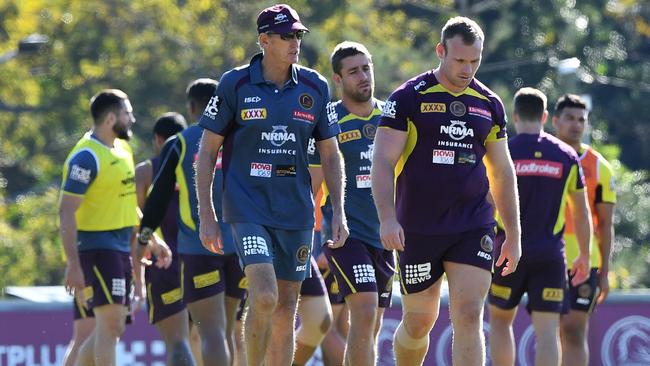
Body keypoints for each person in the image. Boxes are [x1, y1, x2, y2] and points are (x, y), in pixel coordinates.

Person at [195, 4, 348, 365]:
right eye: (286, 36)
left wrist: (337, 210)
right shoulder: (235, 83)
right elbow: (206, 153)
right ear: (264, 40)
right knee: (264, 295)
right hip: (247, 207)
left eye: (298, 35)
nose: (295, 42)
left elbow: (330, 155)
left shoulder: (315, 86)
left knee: (285, 307)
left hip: (296, 211)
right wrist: (207, 213)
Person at [371, 17, 521, 365]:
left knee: (469, 315)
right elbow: (381, 162)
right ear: (441, 51)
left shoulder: (489, 104)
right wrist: (387, 219)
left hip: (473, 225)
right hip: (417, 227)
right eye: (459, 60)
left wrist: (513, 233)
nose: (467, 69)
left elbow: (501, 169)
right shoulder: (408, 98)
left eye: (475, 60)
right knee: (420, 320)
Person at [138, 78, 247, 366]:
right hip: (241, 245)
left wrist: (143, 237)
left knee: (210, 333)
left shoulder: (181, 142)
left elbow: (158, 197)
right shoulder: (241, 135)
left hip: (199, 249)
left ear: (191, 107)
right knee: (225, 332)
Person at [59, 89, 171, 366]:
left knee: (111, 327)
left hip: (119, 249)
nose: (132, 118)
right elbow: (66, 211)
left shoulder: (122, 150)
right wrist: (73, 265)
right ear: (111, 118)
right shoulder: (85, 157)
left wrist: (152, 237)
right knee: (110, 327)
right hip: (97, 250)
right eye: (126, 113)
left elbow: (123, 201)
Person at [487, 87, 591, 366]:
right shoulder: (566, 155)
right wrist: (585, 255)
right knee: (546, 332)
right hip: (550, 255)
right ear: (546, 116)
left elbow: (486, 203)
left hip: (506, 251)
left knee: (499, 322)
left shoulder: (502, 151)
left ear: (515, 115)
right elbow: (581, 212)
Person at [318, 41, 395, 366]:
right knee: (362, 309)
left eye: (366, 68)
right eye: (353, 71)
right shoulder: (328, 120)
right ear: (338, 79)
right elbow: (312, 179)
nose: (363, 76)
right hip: (345, 236)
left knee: (370, 324)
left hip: (385, 238)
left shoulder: (392, 116)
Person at [554, 94, 617, 366]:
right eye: (569, 118)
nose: (576, 125)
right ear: (555, 121)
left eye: (581, 119)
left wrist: (604, 272)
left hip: (584, 261)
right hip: (547, 254)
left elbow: (605, 224)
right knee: (549, 328)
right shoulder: (541, 155)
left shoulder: (600, 167)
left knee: (573, 329)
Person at [134, 112, 195, 365]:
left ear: (158, 140)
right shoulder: (201, 164)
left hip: (164, 267)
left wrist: (135, 264)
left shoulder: (146, 171)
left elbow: (137, 222)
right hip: (202, 260)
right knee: (206, 340)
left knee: (178, 345)